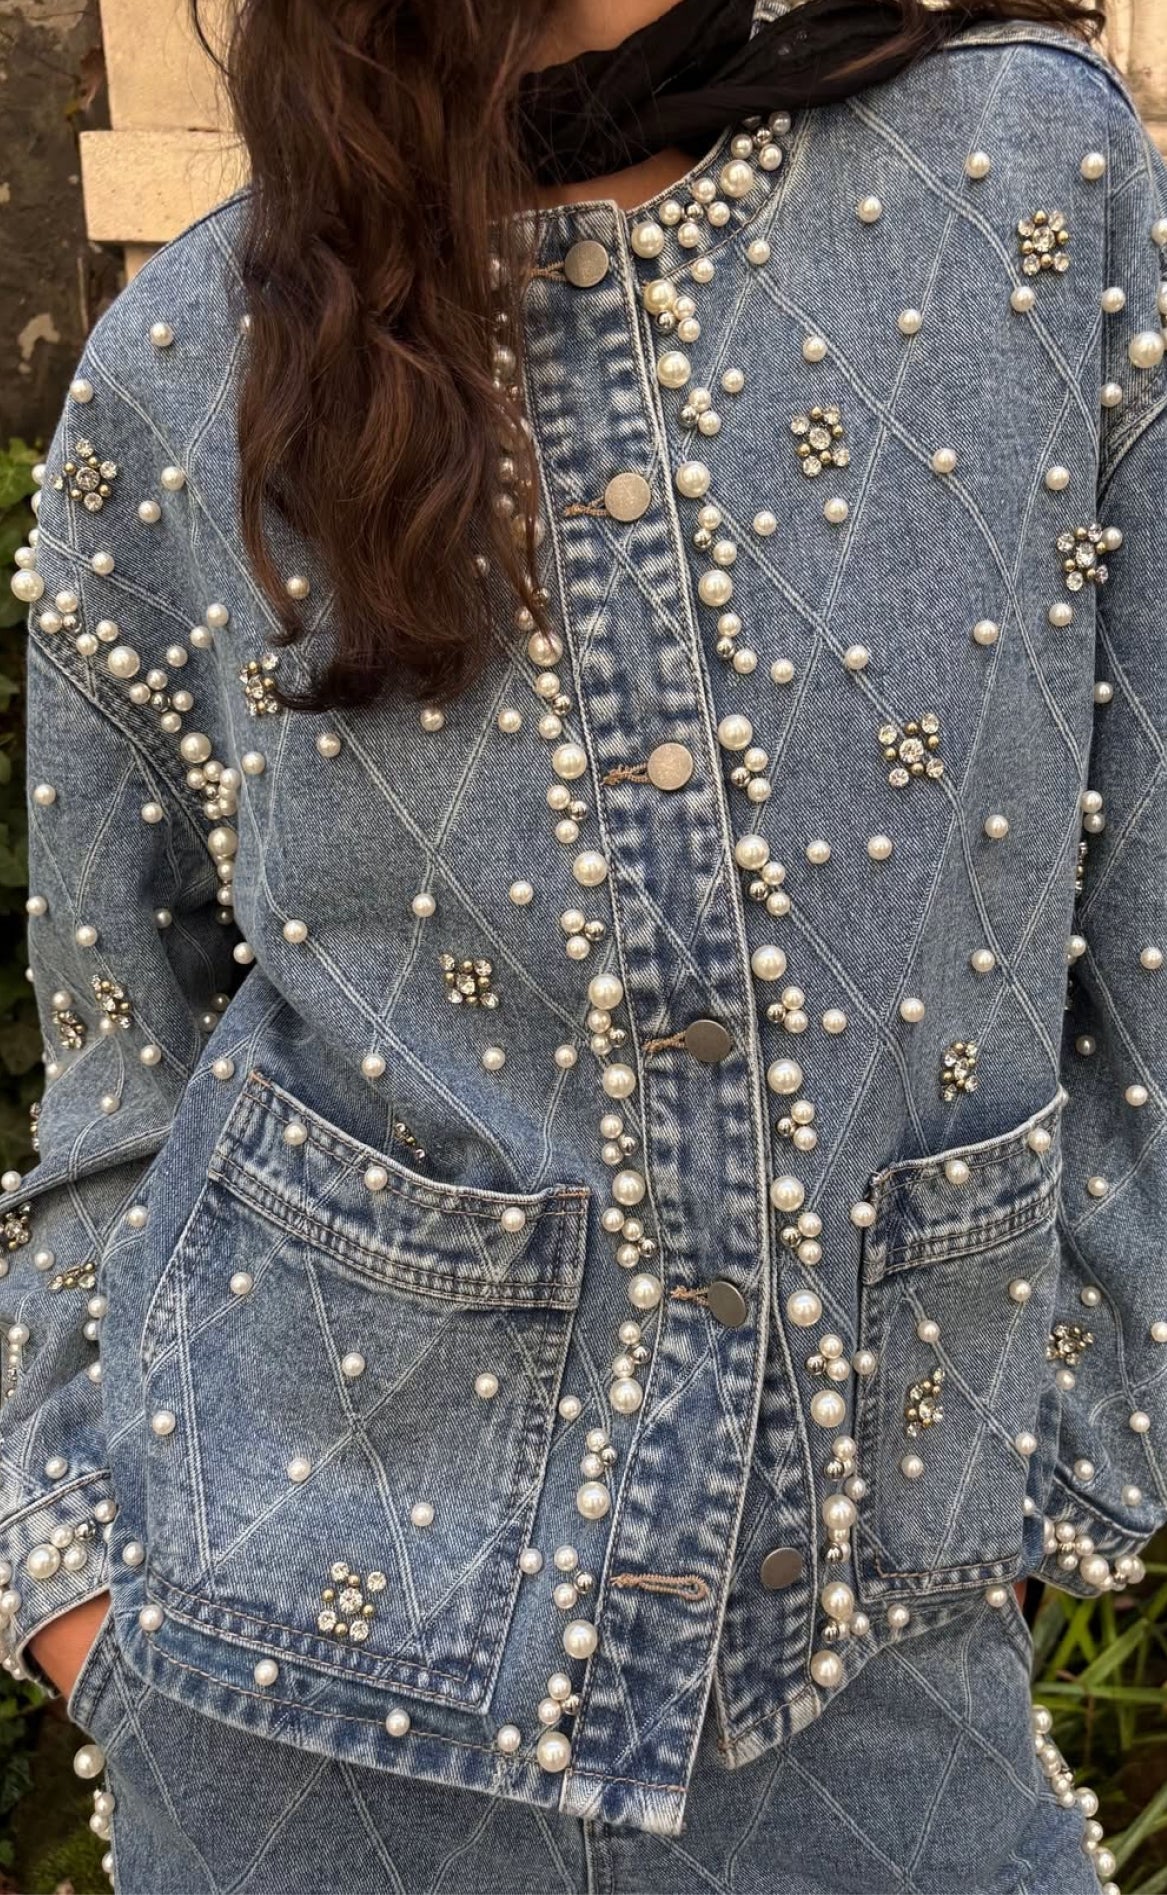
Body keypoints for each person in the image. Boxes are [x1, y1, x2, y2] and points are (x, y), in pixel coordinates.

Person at [3, 0, 1165, 1886]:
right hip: (279, 1708)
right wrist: (84, 1609)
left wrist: (1042, 1483)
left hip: (884, 1695)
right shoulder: (184, 367)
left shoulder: (1028, 178)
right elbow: (120, 1078)